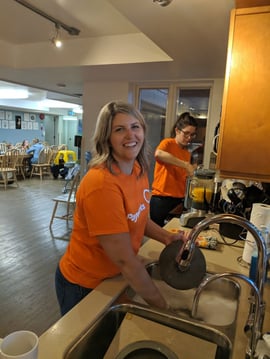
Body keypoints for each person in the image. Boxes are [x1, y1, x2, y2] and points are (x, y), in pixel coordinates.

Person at [55, 101, 187, 316]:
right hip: (84, 284)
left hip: (113, 276)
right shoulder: (101, 184)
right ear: (106, 137)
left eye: (135, 127)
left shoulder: (137, 169)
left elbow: (137, 217)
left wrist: (166, 237)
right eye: (119, 129)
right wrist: (165, 309)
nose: (130, 135)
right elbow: (125, 259)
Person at [150, 112, 198, 227]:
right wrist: (186, 165)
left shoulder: (186, 153)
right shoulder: (168, 143)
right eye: (186, 133)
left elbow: (182, 176)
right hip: (161, 200)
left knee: (172, 236)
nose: (189, 138)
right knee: (158, 240)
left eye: (192, 135)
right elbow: (158, 154)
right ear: (177, 131)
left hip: (178, 202)